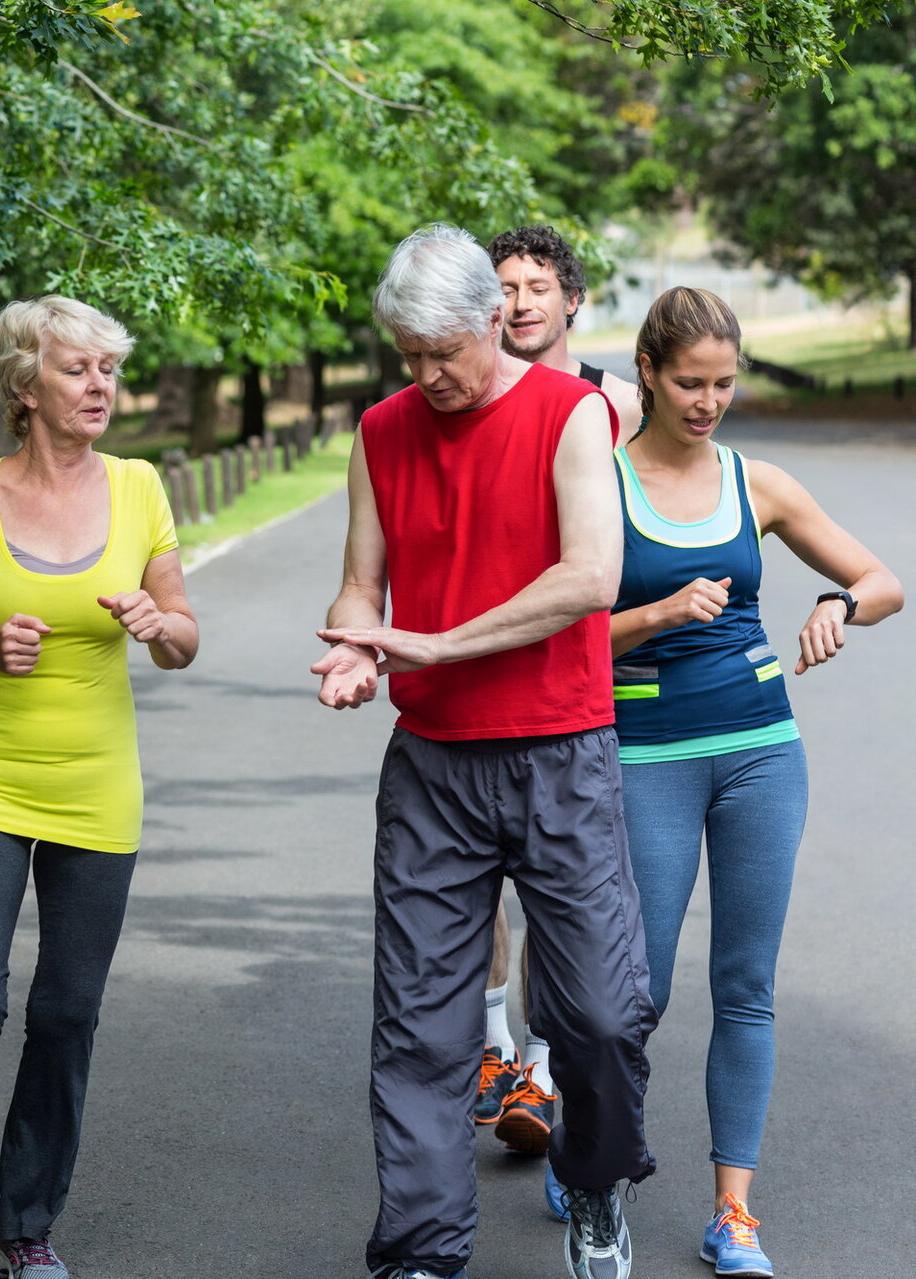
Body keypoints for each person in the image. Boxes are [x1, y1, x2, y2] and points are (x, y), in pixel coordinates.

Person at [312, 224, 656, 1279]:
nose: (427, 376)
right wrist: (352, 648)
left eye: (442, 352)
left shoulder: (571, 415)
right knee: (419, 1028)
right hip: (434, 768)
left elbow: (590, 578)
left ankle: (595, 1181)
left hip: (562, 751)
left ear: (494, 319)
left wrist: (435, 641)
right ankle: (420, 1251)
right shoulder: (382, 430)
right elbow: (362, 585)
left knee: (603, 1013)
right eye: (407, 356)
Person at [0, 295, 197, 1279]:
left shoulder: (141, 486)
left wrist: (157, 620)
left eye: (109, 368)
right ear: (26, 384)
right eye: (79, 369)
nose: (101, 385)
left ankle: (27, 1226)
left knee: (66, 1010)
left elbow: (185, 638)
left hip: (99, 786)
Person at [609, 287, 901, 1276]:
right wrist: (655, 615)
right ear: (648, 372)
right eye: (690, 382)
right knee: (632, 993)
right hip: (643, 754)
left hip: (762, 749)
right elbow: (557, 631)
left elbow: (882, 580)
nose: (708, 401)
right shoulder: (597, 487)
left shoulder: (756, 482)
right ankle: (591, 1150)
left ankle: (734, 1213)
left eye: (724, 383)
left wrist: (837, 601)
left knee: (747, 986)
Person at [472, 225, 641, 1153]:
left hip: (593, 679)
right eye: (507, 285)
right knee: (483, 887)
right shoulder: (467, 397)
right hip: (483, 669)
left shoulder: (619, 405)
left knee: (560, 893)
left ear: (572, 299)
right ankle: (497, 1050)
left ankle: (539, 1067)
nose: (524, 300)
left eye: (541, 284)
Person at [492, 224, 641, 426]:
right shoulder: (473, 402)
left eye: (539, 290)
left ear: (571, 300)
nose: (522, 305)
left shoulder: (622, 403)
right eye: (507, 292)